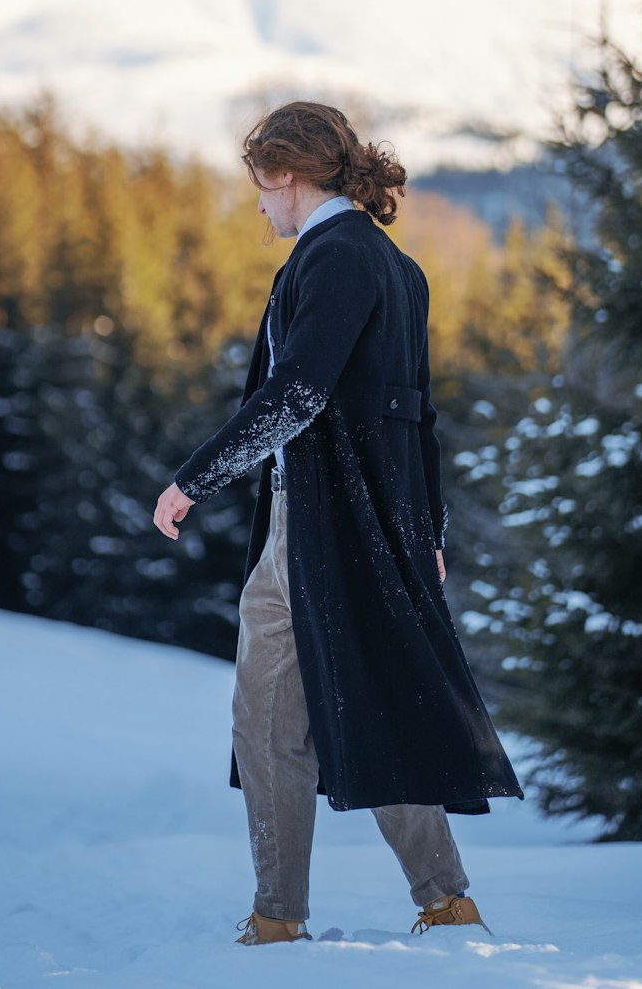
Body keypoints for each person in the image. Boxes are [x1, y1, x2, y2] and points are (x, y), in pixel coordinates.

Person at [153, 101, 522, 945]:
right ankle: (435, 901)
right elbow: (418, 419)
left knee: (275, 714)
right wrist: (427, 534)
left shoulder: (335, 255)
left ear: (287, 173)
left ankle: (283, 918)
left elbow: (298, 394)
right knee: (361, 692)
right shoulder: (392, 262)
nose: (257, 206)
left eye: (260, 185)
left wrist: (193, 478)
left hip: (320, 521)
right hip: (361, 519)